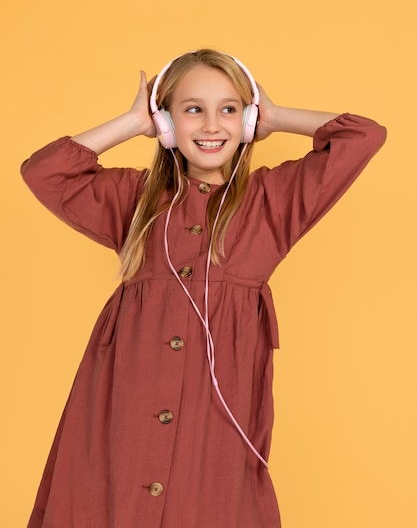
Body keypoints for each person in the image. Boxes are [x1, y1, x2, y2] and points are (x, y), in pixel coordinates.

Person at [21, 49, 386, 528]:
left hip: (214, 421)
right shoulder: (134, 202)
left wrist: (274, 117)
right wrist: (134, 122)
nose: (212, 124)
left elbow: (363, 136)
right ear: (167, 122)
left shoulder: (271, 205)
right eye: (193, 109)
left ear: (248, 119)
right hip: (123, 408)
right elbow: (43, 171)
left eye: (230, 109)